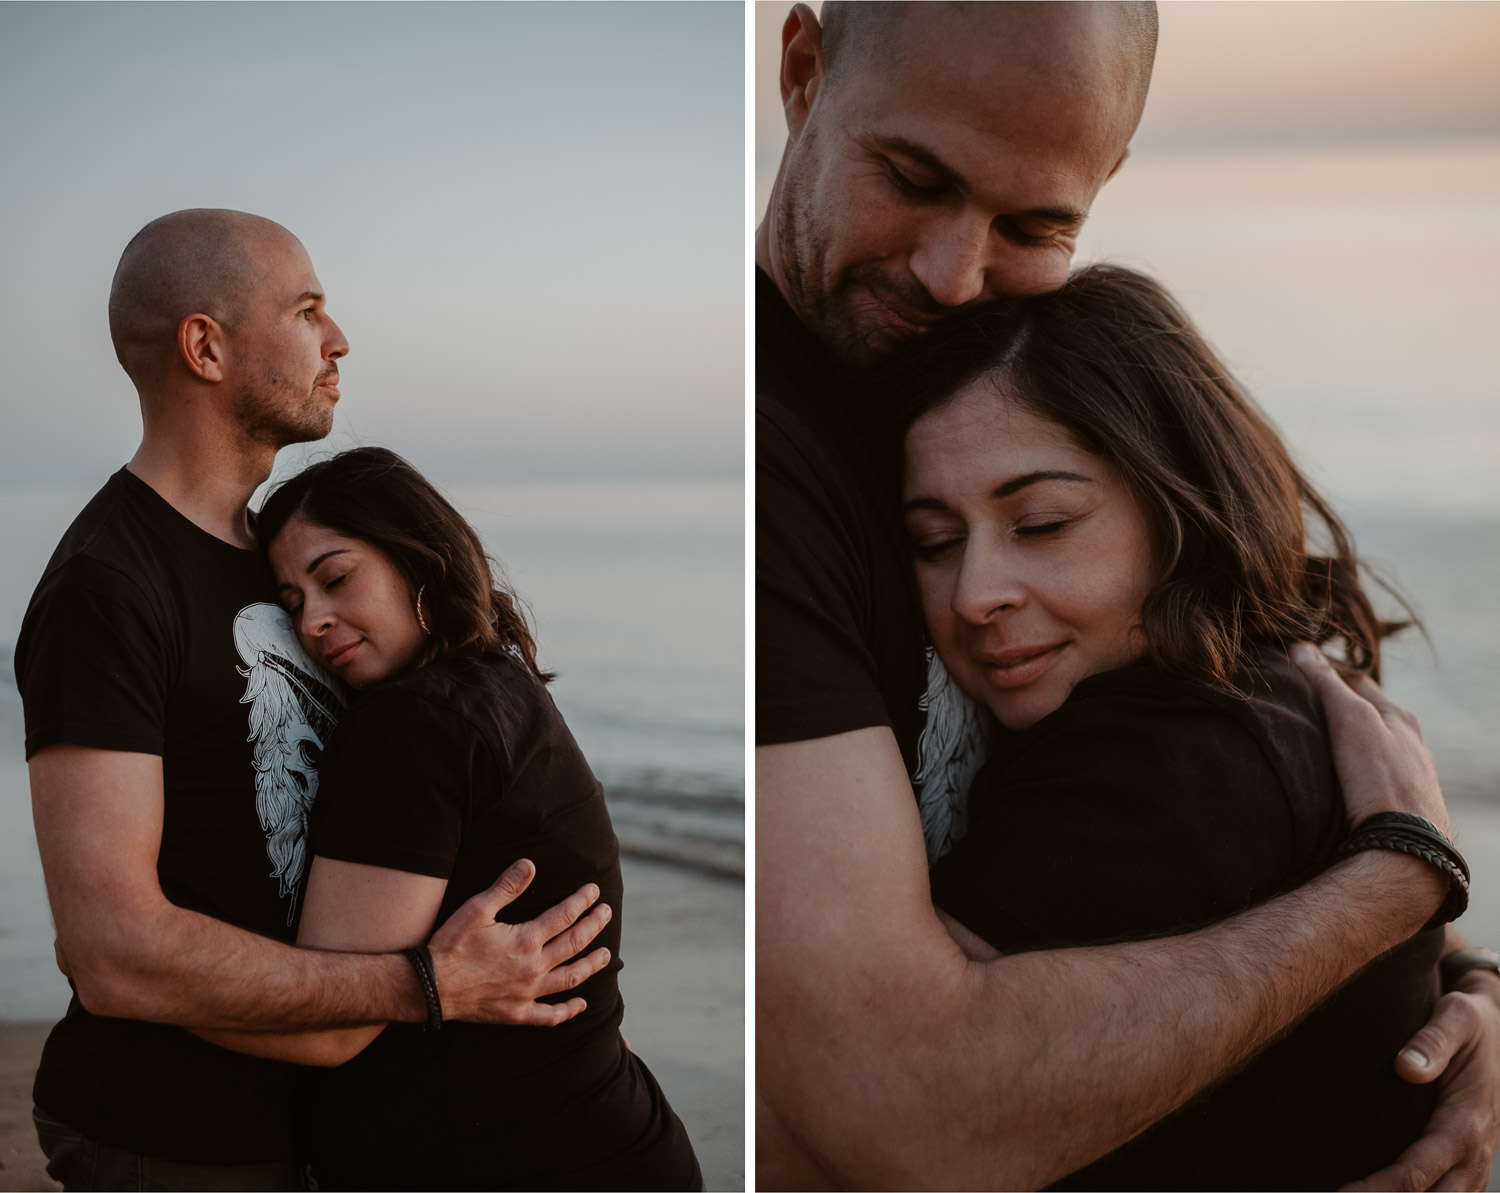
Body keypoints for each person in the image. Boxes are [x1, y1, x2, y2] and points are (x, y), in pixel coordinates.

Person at [754, 3, 1500, 1188]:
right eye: (912, 175)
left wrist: (1452, 976)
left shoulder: (940, 396)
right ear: (802, 71)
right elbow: (890, 1106)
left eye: (1037, 222)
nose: (956, 278)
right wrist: (1398, 877)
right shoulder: (772, 451)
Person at [18, 209, 611, 1191]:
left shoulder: (280, 563)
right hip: (169, 1138)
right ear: (205, 346)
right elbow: (110, 947)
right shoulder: (108, 586)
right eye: (307, 310)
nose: (339, 339)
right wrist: (428, 983)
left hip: (321, 1122)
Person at [899, 263, 1452, 1188]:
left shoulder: (1170, 753)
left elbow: (879, 1088)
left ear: (1178, 505)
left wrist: (1413, 873)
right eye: (936, 542)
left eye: (1041, 522)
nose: (976, 594)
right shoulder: (1270, 686)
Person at [175, 446, 703, 1191]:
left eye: (335, 577)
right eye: (292, 604)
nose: (316, 622)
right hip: (599, 1137)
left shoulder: (414, 723)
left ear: (418, 556)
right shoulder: (497, 682)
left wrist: (141, 987)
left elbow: (326, 1028)